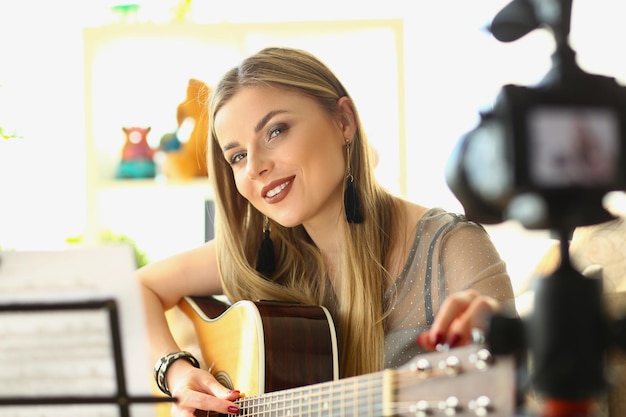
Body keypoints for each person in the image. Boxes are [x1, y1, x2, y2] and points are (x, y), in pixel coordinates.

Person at [138, 46, 517, 416]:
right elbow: (138, 288)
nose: (254, 167)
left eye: (275, 131)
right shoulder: (254, 254)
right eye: (237, 156)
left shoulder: (449, 247)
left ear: (344, 122)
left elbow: (514, 378)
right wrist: (176, 371)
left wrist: (501, 336)